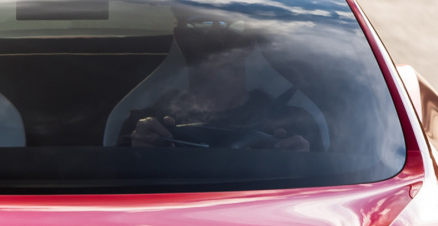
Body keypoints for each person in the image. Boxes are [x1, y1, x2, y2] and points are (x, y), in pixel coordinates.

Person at [118, 16, 314, 151]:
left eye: (232, 25)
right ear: (179, 37)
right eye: (200, 24)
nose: (218, 38)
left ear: (251, 40)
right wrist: (136, 153)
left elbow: (322, 196)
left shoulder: (293, 123)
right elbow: (114, 189)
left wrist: (301, 163)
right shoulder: (147, 126)